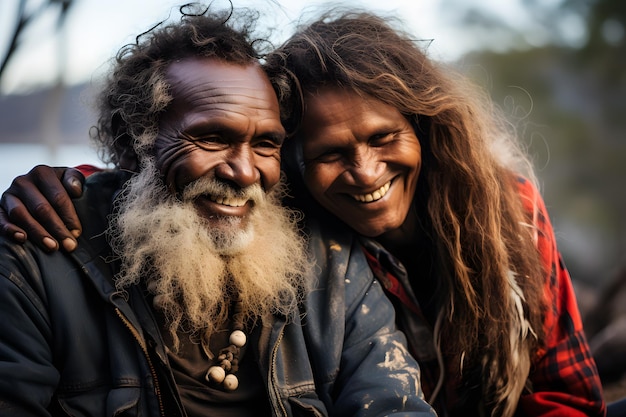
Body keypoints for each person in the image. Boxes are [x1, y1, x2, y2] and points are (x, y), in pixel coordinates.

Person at [0, 7, 608, 417]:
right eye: (330, 153)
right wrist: (78, 188)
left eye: (383, 138)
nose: (366, 173)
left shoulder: (501, 210)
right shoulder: (40, 259)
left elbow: (565, 390)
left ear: (425, 128)